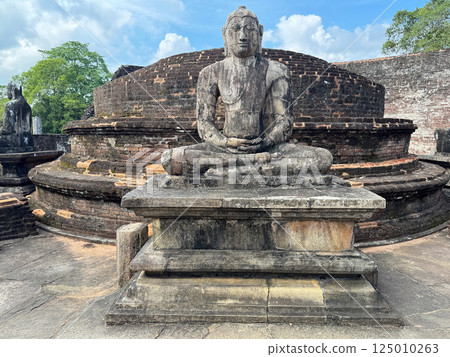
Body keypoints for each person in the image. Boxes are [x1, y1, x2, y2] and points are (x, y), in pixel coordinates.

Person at [161, 6, 332, 178]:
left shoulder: (276, 71)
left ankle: (232, 169)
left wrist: (265, 142)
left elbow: (284, 123)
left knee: (322, 158)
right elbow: (204, 124)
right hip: (224, 148)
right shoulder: (211, 72)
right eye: (235, 29)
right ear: (224, 34)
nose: (243, 36)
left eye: (249, 30)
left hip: (267, 148)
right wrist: (226, 142)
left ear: (260, 33)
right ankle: (250, 166)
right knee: (169, 159)